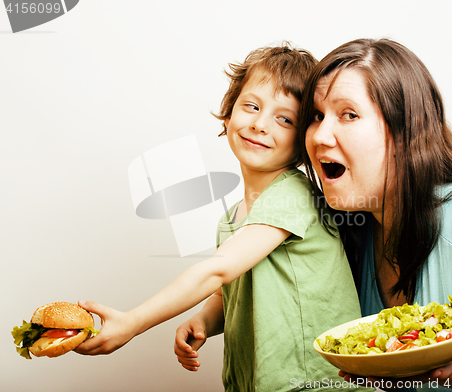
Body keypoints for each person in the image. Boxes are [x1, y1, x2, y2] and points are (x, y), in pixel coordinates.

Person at [76, 43, 366, 392]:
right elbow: (228, 290)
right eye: (252, 106)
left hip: (314, 382)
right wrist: (203, 320)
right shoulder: (234, 218)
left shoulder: (293, 195)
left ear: (304, 139)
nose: (260, 125)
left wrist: (133, 322)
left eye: (284, 119)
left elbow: (217, 270)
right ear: (229, 113)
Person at [300, 38, 452, 392]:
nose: (319, 135)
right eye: (317, 116)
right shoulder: (355, 228)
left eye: (348, 114)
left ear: (406, 133)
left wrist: (450, 372)